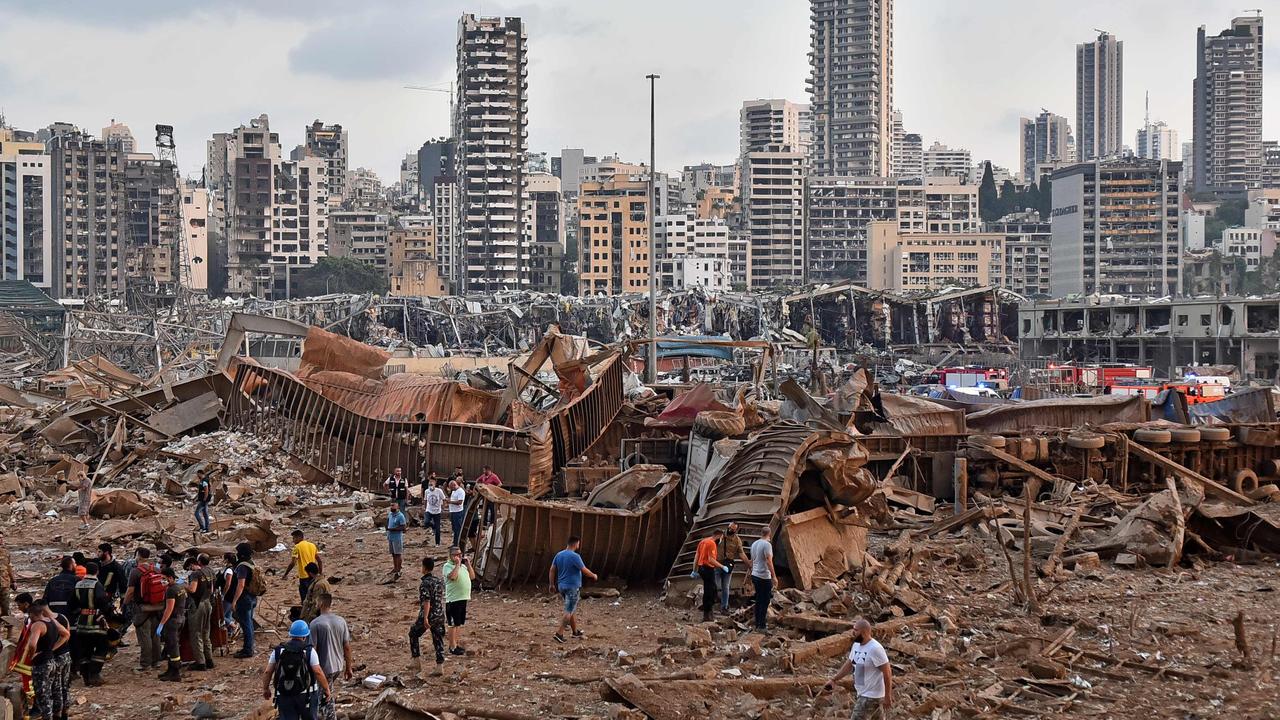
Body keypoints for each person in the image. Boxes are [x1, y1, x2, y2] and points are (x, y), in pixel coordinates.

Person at [824, 618, 893, 720]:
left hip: (871, 696)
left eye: (856, 630)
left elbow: (887, 673)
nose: (853, 632)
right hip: (862, 693)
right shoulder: (856, 645)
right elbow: (849, 664)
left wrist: (888, 696)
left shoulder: (875, 649)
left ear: (864, 632)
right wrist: (834, 679)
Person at [262, 620, 331, 720]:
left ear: (291, 634)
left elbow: (268, 671)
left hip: (284, 694)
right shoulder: (309, 651)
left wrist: (266, 688)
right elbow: (318, 672)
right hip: (307, 694)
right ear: (305, 636)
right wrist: (326, 689)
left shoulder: (278, 650)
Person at [71, 561, 115, 686]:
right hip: (96, 623)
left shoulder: (78, 584)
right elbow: (103, 602)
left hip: (81, 623)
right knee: (101, 648)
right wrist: (108, 614)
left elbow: (72, 604)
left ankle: (85, 676)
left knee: (85, 650)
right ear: (97, 572)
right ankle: (94, 674)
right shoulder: (97, 585)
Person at [25, 598, 69, 720]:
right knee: (56, 690)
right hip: (52, 661)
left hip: (41, 663)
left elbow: (32, 644)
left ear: (32, 614)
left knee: (43, 695)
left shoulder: (37, 625)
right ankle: (59, 716)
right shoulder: (52, 621)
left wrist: (32, 654)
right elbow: (66, 633)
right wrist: (52, 648)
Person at [308, 594, 351, 720]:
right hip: (338, 665)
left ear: (320, 604)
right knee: (325, 692)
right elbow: (347, 646)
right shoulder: (341, 621)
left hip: (323, 667)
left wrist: (309, 670)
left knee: (325, 696)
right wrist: (349, 667)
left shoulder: (315, 623)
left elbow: (313, 650)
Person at [549, 536, 597, 644]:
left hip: (561, 586)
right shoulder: (575, 556)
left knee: (571, 608)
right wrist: (593, 575)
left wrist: (551, 584)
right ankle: (559, 634)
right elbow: (584, 570)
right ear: (576, 544)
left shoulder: (559, 555)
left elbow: (552, 570)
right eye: (578, 544)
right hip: (572, 587)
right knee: (569, 610)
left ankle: (575, 632)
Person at [123, 547, 164, 669]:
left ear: (138, 556)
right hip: (157, 606)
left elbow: (130, 591)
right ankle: (156, 661)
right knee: (155, 635)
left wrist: (125, 603)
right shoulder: (156, 569)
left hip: (142, 607)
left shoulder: (135, 571)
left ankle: (145, 663)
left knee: (144, 636)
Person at [408, 557, 445, 679]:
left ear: (424, 568)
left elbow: (427, 601)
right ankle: (440, 666)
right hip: (439, 614)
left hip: (429, 614)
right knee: (438, 639)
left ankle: (416, 660)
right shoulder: (438, 581)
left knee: (413, 633)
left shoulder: (425, 583)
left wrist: (425, 618)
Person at [40, 598, 73, 720]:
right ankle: (65, 712)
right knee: (65, 686)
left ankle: (58, 714)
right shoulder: (62, 617)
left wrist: (52, 649)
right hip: (66, 654)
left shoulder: (49, 622)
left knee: (56, 687)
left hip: (57, 657)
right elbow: (68, 634)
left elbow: (65, 635)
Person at [229, 542, 262, 658]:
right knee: (248, 623)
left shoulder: (242, 566)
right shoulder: (251, 563)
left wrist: (234, 601)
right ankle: (249, 647)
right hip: (252, 597)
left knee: (246, 624)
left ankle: (248, 650)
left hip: (244, 599)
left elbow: (241, 585)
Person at [156, 567, 187, 681]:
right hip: (180, 618)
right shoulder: (180, 587)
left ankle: (175, 672)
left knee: (173, 646)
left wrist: (161, 624)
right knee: (171, 645)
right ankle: (170, 670)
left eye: (163, 578)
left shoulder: (171, 590)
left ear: (170, 577)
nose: (162, 581)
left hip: (172, 621)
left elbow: (169, 609)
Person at [184, 555, 215, 671]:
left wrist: (182, 584)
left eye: (189, 567)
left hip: (197, 605)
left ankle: (200, 662)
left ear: (196, 563)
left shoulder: (195, 574)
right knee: (206, 632)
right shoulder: (210, 571)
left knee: (196, 633)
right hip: (208, 602)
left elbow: (192, 589)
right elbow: (212, 589)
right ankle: (209, 659)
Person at [441, 546, 474, 656]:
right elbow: (453, 577)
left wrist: (468, 564)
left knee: (458, 623)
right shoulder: (447, 566)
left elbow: (472, 576)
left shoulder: (463, 567)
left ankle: (456, 643)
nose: (458, 556)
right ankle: (452, 646)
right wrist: (457, 564)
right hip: (453, 599)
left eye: (460, 554)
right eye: (456, 555)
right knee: (452, 624)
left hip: (463, 597)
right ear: (450, 556)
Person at [694, 529, 727, 622]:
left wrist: (694, 570)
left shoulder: (703, 541)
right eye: (721, 537)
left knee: (710, 589)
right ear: (718, 535)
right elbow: (711, 559)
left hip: (701, 568)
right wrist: (722, 566)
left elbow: (696, 556)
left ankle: (708, 612)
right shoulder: (712, 543)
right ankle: (707, 614)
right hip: (708, 569)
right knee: (711, 591)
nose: (721, 540)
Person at [717, 522, 749, 614]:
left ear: (736, 530)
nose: (730, 530)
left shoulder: (737, 540)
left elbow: (741, 553)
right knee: (714, 585)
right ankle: (709, 606)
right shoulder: (720, 535)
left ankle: (724, 607)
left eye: (732, 529)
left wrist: (749, 564)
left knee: (726, 587)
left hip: (727, 565)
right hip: (717, 564)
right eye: (729, 528)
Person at [749, 527, 776, 633]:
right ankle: (762, 626)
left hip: (755, 574)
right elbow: (769, 561)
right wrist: (774, 577)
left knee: (759, 599)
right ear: (769, 534)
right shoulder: (767, 545)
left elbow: (752, 560)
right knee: (765, 601)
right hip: (763, 576)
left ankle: (758, 623)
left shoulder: (754, 544)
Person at [284, 530, 322, 604]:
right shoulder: (312, 545)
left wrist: (285, 574)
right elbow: (319, 561)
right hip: (313, 575)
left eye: (294, 538)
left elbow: (293, 563)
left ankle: (305, 613)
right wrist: (320, 573)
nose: (293, 541)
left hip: (304, 576)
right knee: (312, 596)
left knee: (304, 598)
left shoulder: (297, 547)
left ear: (299, 537)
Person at [386, 506, 407, 580]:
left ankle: (398, 569)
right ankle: (395, 568)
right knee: (393, 554)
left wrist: (393, 529)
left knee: (398, 554)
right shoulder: (390, 514)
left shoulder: (400, 516)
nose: (391, 507)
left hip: (397, 537)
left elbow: (404, 528)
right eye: (391, 505)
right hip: (390, 537)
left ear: (397, 507)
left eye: (393, 505)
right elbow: (388, 522)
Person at [422, 477, 445, 546]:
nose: (431, 483)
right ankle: (433, 526)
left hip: (437, 511)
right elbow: (425, 500)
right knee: (426, 522)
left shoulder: (439, 491)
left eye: (432, 482)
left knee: (438, 529)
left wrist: (443, 507)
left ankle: (437, 543)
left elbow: (444, 499)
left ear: (435, 483)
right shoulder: (427, 491)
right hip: (429, 510)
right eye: (430, 482)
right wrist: (425, 508)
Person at [0, 532, 14, 639]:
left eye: (2, 538)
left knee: (6, 609)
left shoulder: (5, 552)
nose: (1, 540)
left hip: (4, 585)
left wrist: (13, 581)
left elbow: (8, 567)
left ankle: (9, 636)